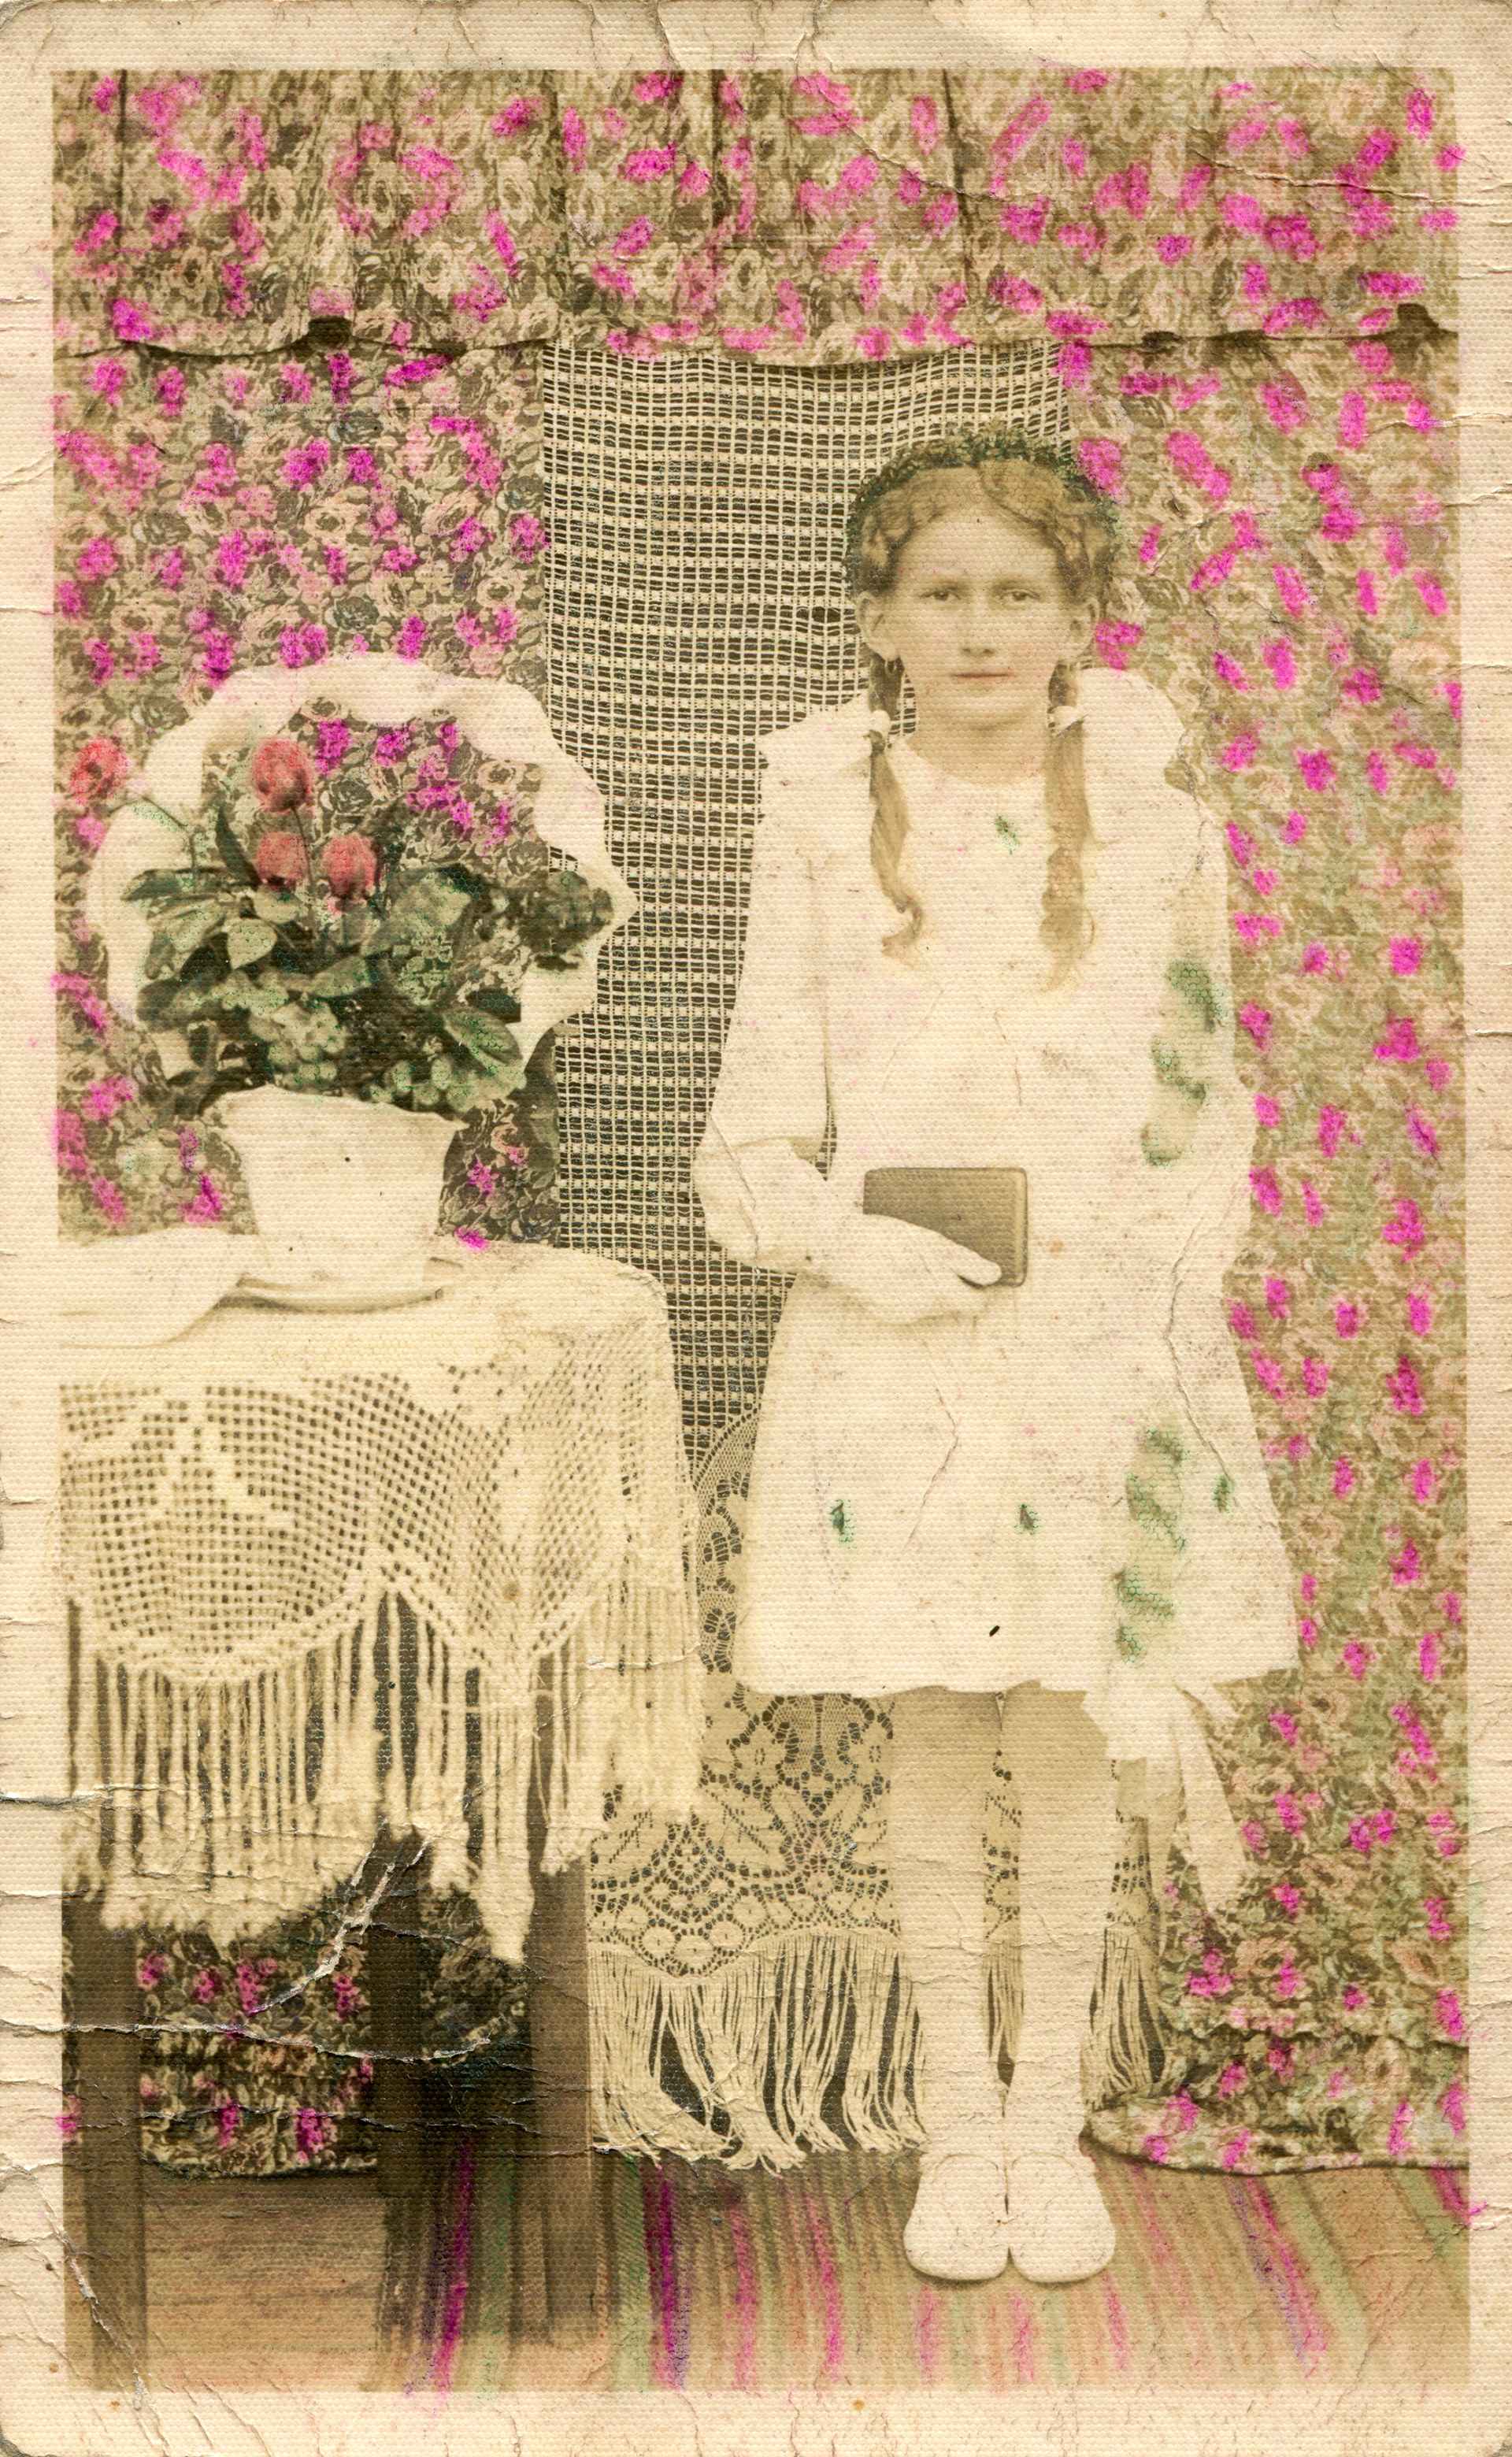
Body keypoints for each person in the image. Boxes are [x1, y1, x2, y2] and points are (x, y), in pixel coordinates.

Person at [691, 428, 1297, 2286]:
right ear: (879, 622)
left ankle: (1051, 2130)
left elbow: (1204, 1110)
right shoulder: (821, 814)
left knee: (1074, 1724)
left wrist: (1152, 1292)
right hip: (901, 1352)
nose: (978, 629)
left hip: (1095, 1345)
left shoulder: (1161, 822)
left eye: (1016, 594)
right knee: (944, 1730)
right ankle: (960, 2127)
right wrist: (855, 1244)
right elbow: (749, 1141)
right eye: (939, 593)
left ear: (1075, 617)